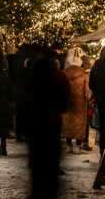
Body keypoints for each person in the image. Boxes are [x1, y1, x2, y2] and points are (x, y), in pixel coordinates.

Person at [25, 48, 69, 198]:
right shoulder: (59, 76)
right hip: (53, 118)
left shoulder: (31, 77)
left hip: (35, 120)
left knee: (36, 149)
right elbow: (65, 94)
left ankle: (36, 170)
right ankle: (52, 171)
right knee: (52, 147)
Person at [62, 47, 90, 154]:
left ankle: (68, 145)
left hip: (68, 103)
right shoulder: (84, 75)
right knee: (79, 123)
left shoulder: (64, 74)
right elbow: (87, 92)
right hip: (80, 104)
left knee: (68, 122)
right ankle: (78, 146)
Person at [10, 43, 35, 143]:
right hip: (27, 96)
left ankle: (19, 135)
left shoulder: (17, 67)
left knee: (20, 116)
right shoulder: (32, 73)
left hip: (20, 95)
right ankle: (26, 135)